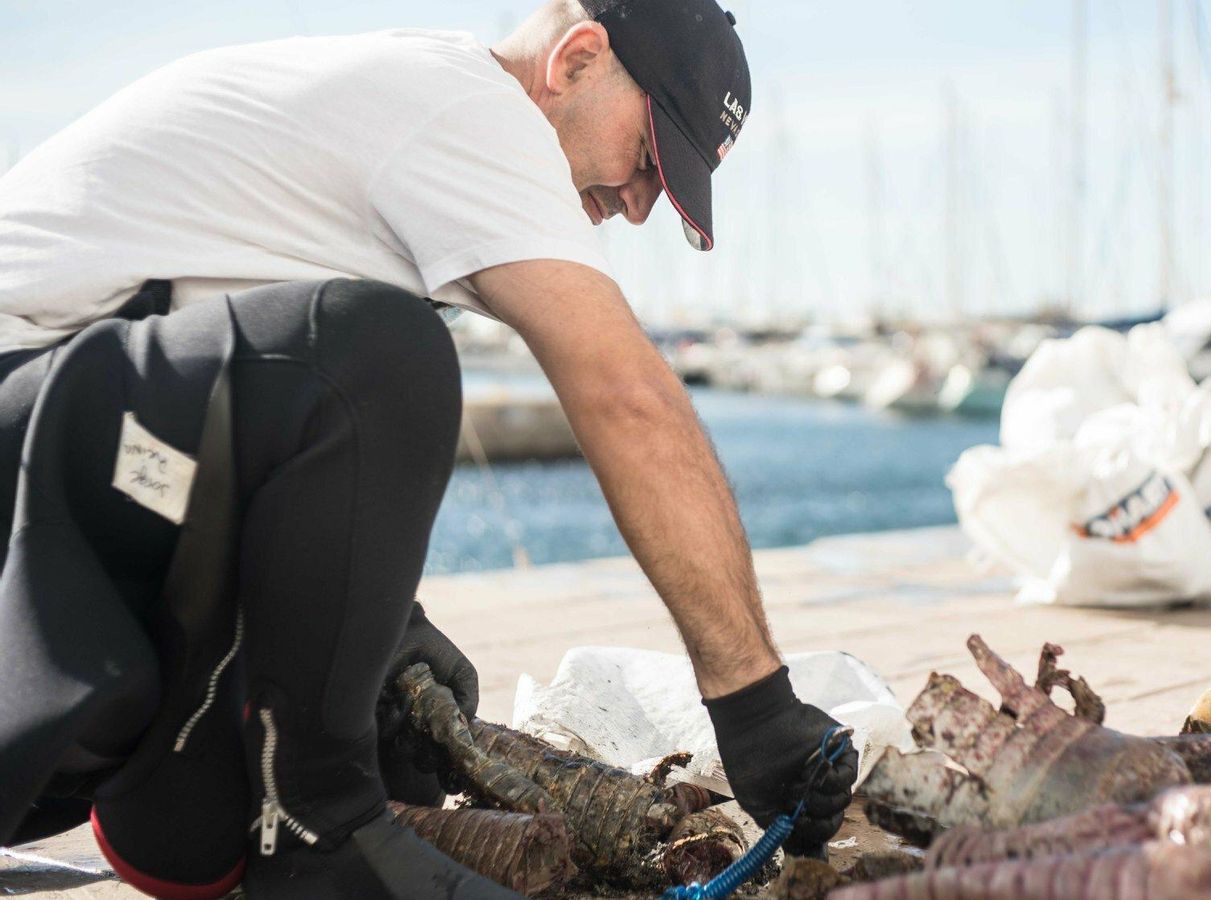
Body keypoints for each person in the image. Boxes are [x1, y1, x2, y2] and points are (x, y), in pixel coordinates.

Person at [0, 0, 858, 897]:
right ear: (576, 60)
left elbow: (242, 403)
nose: (637, 206)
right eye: (648, 157)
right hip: (24, 453)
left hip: (58, 504)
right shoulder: (469, 112)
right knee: (382, 354)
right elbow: (627, 398)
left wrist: (384, 627)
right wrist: (754, 705)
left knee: (379, 714)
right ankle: (312, 838)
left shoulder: (401, 120)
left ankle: (184, 815)